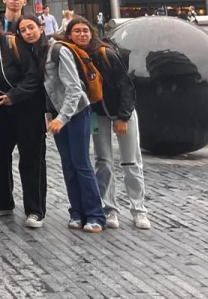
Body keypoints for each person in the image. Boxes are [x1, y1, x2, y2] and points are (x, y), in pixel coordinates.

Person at [72, 24, 150, 230]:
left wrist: (123, 117)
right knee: (103, 161)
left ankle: (139, 209)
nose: (81, 34)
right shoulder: (74, 56)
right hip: (97, 115)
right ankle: (109, 209)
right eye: (76, 31)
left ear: (92, 33)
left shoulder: (106, 54)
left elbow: (126, 87)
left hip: (121, 113)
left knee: (131, 161)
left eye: (85, 30)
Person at [0, 11, 48, 229]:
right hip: (0, 110)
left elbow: (33, 76)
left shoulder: (13, 44)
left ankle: (35, 210)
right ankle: (3, 203)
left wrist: (14, 96)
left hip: (27, 108)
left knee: (31, 159)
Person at [49, 17, 106, 233]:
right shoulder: (40, 52)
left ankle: (95, 215)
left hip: (77, 112)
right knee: (68, 164)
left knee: (81, 163)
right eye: (23, 30)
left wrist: (62, 117)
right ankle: (76, 212)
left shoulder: (58, 50)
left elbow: (74, 89)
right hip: (58, 114)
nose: (28, 33)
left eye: (31, 28)